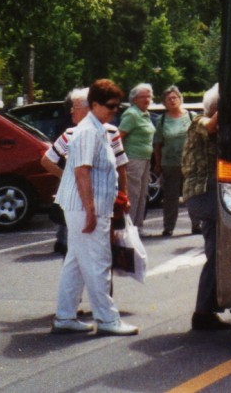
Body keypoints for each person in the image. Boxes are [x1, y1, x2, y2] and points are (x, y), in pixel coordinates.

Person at [51, 78, 138, 336]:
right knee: (99, 261)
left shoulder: (97, 127)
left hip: (85, 206)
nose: (115, 110)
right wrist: (90, 210)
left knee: (76, 262)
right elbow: (82, 172)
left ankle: (65, 316)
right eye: (110, 105)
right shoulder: (88, 131)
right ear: (95, 104)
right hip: (86, 207)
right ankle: (108, 319)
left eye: (118, 106)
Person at [40, 87, 129, 255]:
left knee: (98, 251)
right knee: (84, 251)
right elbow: (46, 160)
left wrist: (125, 196)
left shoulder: (111, 132)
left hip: (104, 200)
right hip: (81, 200)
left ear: (89, 108)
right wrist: (68, 176)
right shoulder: (70, 133)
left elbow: (121, 165)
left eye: (75, 107)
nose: (71, 112)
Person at [182, 83, 231, 331]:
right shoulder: (197, 122)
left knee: (216, 253)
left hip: (212, 194)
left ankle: (204, 311)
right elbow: (210, 125)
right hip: (202, 195)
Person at [153, 85, 192, 237]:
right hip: (169, 164)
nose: (172, 100)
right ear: (164, 103)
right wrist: (157, 163)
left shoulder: (191, 116)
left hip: (190, 162)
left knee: (192, 195)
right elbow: (158, 144)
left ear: (180, 99)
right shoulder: (161, 120)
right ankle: (168, 227)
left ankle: (197, 225)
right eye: (168, 99)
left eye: (174, 97)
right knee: (170, 197)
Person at [118, 83, 155, 232]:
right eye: (143, 97)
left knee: (143, 193)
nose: (147, 99)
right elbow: (119, 136)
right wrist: (120, 160)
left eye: (149, 96)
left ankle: (138, 225)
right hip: (133, 158)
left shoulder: (145, 114)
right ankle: (129, 227)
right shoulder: (132, 114)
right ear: (134, 99)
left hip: (145, 158)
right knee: (133, 193)